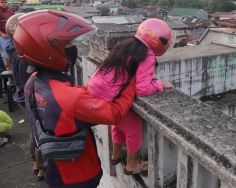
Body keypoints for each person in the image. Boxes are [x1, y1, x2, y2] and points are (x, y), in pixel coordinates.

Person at [13, 10, 136, 188]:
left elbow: (69, 103)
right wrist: (131, 84)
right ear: (48, 50)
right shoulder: (70, 99)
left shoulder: (32, 81)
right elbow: (113, 113)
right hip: (79, 175)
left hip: (54, 168)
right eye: (68, 44)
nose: (73, 49)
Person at [88, 18, 173, 175]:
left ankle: (116, 153)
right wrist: (160, 85)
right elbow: (142, 89)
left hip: (96, 91)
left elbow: (129, 72)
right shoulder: (147, 55)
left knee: (117, 122)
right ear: (158, 42)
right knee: (133, 128)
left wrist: (149, 78)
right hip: (111, 97)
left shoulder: (127, 46)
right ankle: (132, 164)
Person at [5, 13, 45, 181]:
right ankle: (39, 166)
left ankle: (36, 163)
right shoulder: (24, 56)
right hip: (29, 96)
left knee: (34, 130)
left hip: (22, 95)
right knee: (39, 132)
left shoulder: (14, 50)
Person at [0, 0, 13, 73]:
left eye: (5, 2)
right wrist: (1, 33)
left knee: (14, 53)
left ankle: (15, 71)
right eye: (2, 2)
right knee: (6, 54)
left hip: (11, 35)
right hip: (3, 37)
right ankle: (10, 71)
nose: (4, 4)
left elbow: (14, 21)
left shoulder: (10, 10)